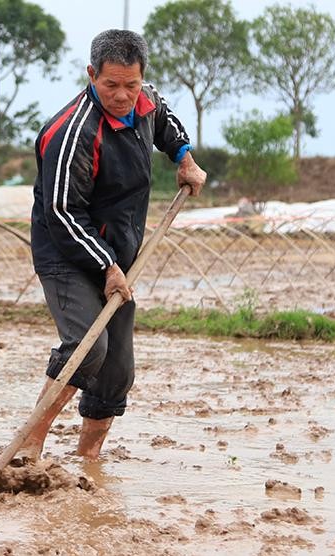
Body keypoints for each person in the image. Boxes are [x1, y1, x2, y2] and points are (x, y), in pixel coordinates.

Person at [18, 29, 207, 461]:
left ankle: (88, 463)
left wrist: (184, 158)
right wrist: (105, 266)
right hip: (67, 253)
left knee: (116, 368)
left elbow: (165, 120)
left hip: (119, 253)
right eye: (110, 85)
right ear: (91, 75)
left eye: (131, 85)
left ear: (142, 79)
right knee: (88, 346)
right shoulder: (72, 134)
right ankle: (29, 449)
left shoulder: (146, 101)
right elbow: (63, 213)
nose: (122, 96)